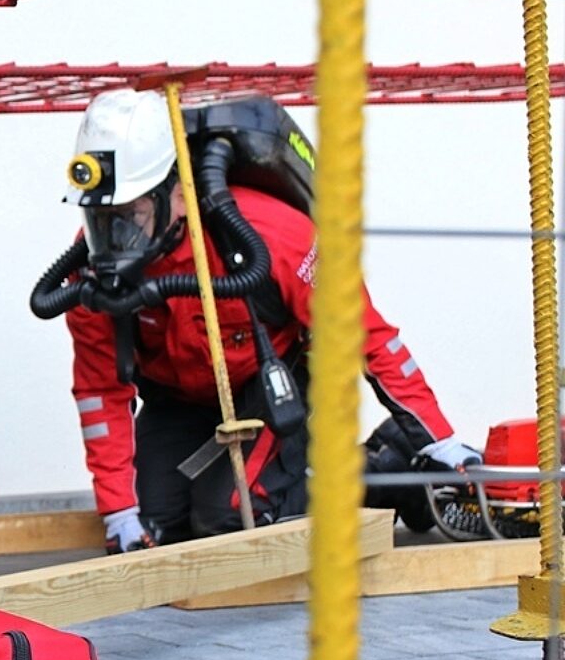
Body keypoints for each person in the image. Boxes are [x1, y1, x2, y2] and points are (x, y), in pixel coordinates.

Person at [50, 89, 478, 552]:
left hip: (271, 389)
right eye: (101, 218)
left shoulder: (271, 234)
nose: (114, 236)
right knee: (156, 532)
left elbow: (368, 337)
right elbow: (100, 391)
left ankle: (388, 466)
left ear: (177, 193)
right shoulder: (91, 273)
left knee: (230, 520)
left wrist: (439, 441)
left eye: (130, 215)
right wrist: (119, 512)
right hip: (179, 401)